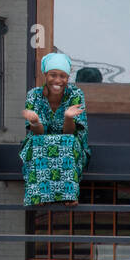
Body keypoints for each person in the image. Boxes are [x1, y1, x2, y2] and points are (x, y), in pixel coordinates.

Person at [20, 52, 91, 206]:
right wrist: (34, 122)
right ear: (45, 74)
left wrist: (68, 117)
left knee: (67, 141)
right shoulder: (34, 95)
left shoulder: (76, 94)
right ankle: (39, 195)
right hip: (41, 142)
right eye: (53, 75)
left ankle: (69, 195)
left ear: (67, 78)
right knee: (37, 142)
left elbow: (69, 133)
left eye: (63, 76)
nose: (58, 80)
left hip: (72, 144)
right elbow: (38, 133)